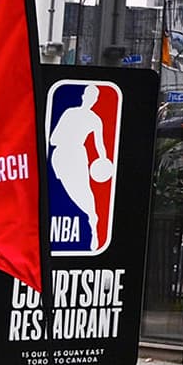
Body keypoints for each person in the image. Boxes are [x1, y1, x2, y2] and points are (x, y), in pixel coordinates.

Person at [49, 83, 111, 248]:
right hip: (63, 156)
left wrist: (103, 161)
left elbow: (100, 145)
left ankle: (93, 224)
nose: (90, 100)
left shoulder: (94, 119)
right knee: (64, 192)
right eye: (89, 96)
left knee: (83, 191)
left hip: (75, 155)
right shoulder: (71, 113)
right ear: (84, 96)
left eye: (93, 97)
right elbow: (53, 139)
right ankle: (92, 220)